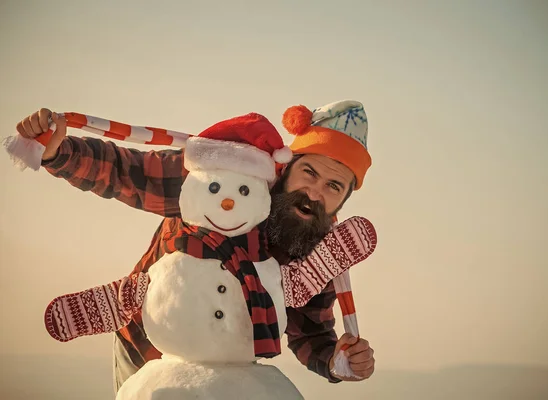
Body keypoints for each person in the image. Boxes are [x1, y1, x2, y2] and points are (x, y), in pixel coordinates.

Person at [14, 100, 376, 392]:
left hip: (231, 370)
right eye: (309, 172)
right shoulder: (224, 180)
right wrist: (59, 152)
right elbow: (128, 173)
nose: (315, 192)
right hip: (150, 346)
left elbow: (309, 328)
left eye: (334, 187)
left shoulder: (320, 248)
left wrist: (336, 360)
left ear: (343, 201)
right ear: (286, 167)